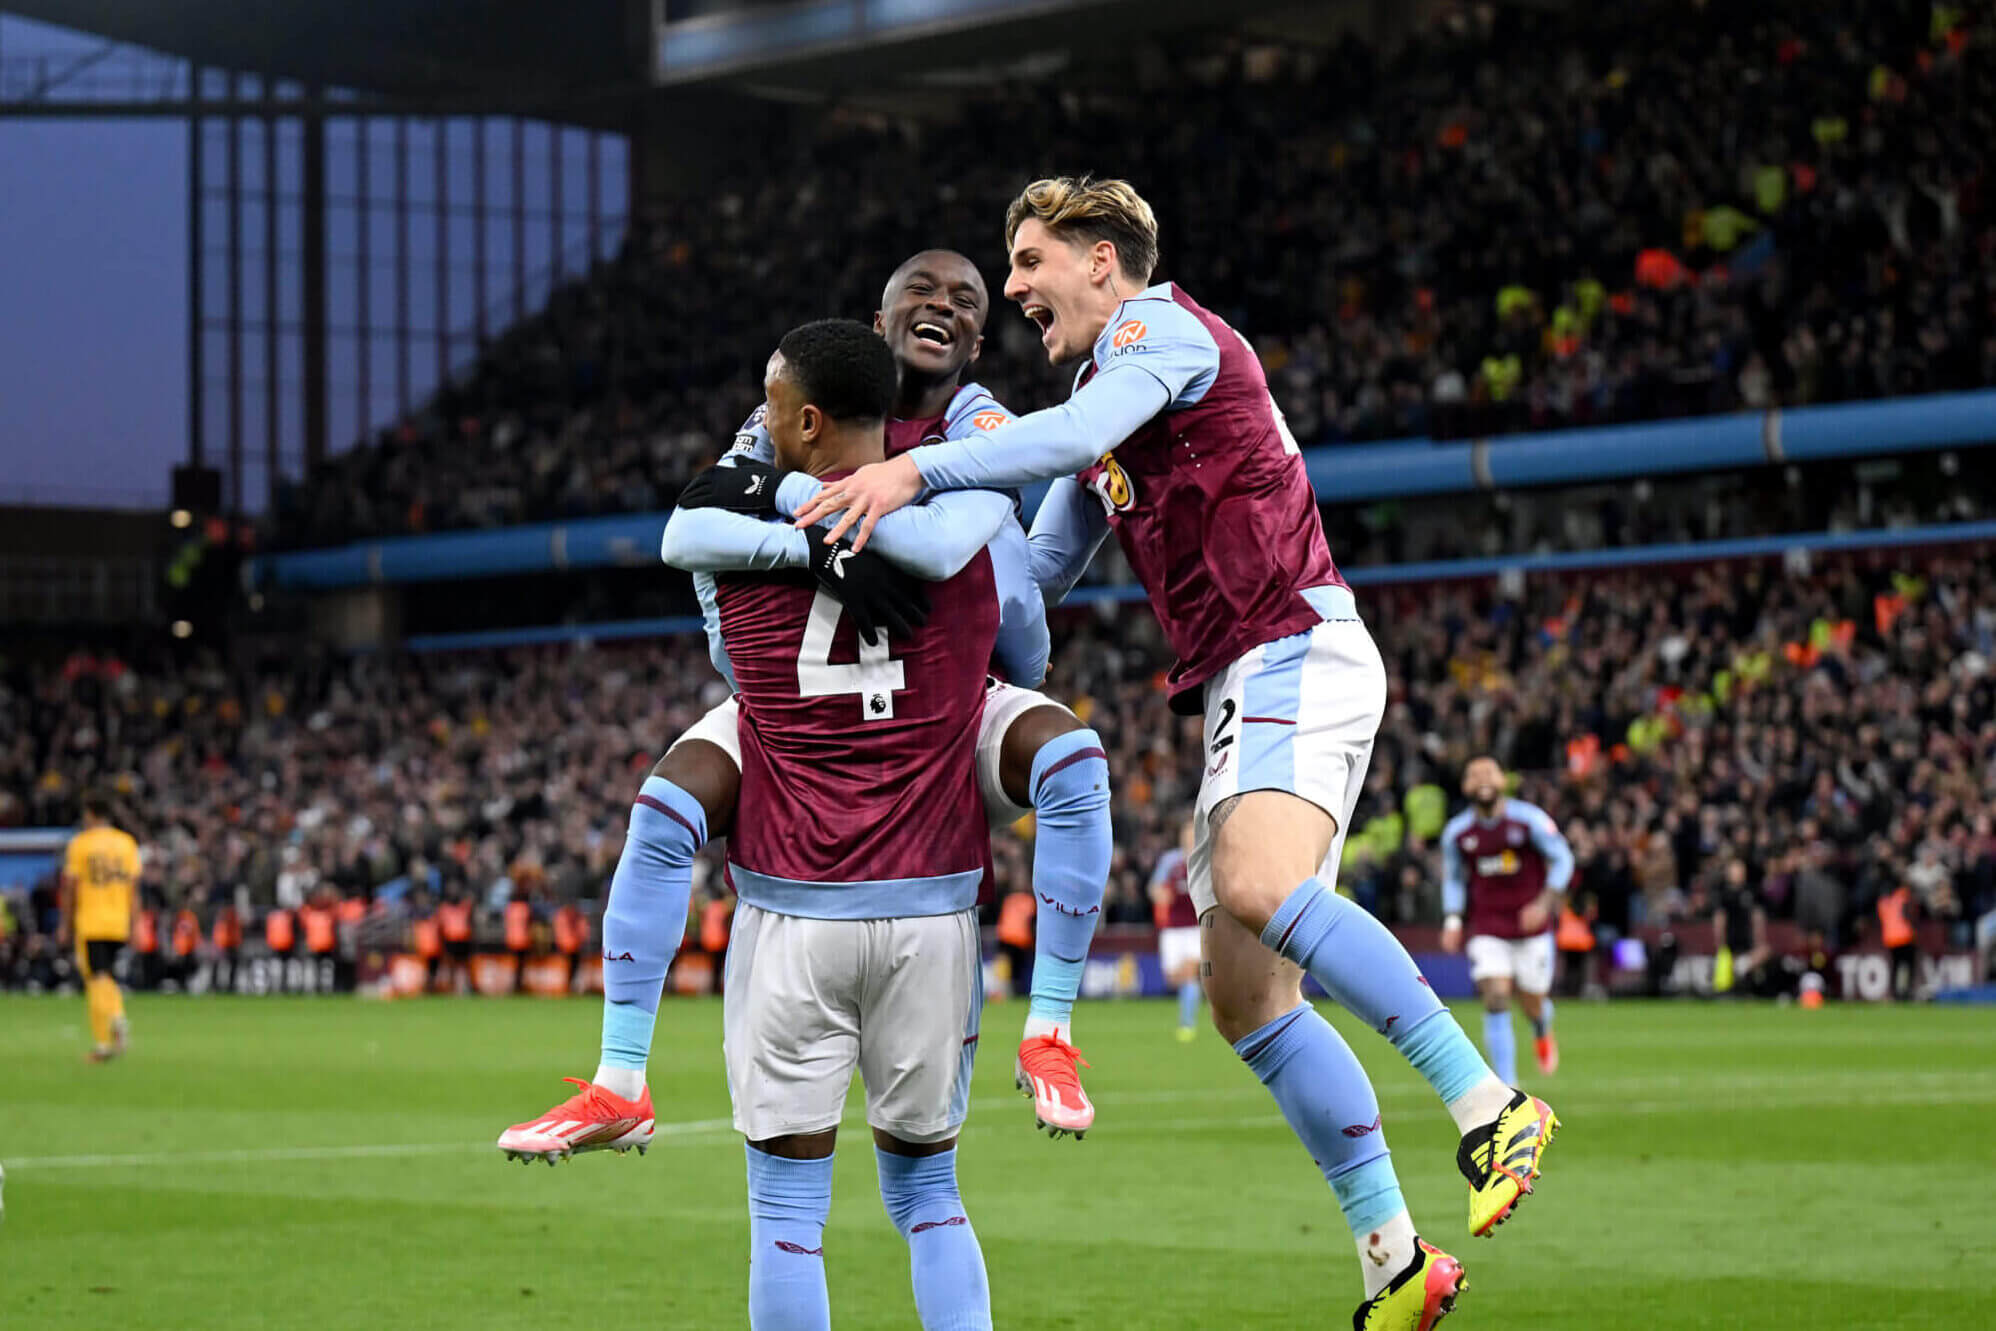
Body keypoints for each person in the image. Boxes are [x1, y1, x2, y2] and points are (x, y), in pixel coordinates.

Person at [797, 176, 1552, 1325]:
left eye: (1030, 260)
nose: (1015, 286)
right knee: (1246, 997)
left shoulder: (1160, 331)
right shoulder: (1103, 398)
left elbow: (1068, 438)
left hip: (1291, 641)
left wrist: (916, 466)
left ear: (1100, 261)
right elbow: (1035, 578)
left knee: (1257, 880)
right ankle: (1394, 1257)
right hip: (1239, 678)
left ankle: (1489, 1102)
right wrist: (905, 591)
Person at [499, 249, 1112, 1159]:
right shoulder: (786, 409)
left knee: (1069, 756)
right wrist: (818, 540)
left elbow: (974, 561)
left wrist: (812, 510)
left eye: (965, 300)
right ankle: (620, 1076)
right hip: (792, 694)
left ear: (979, 344)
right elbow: (693, 517)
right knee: (666, 804)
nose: (942, 305)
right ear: (878, 322)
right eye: (921, 290)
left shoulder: (981, 428)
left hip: (946, 688)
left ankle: (1051, 1027)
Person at [680, 321, 1013, 1328]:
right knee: (931, 1192)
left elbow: (684, 534)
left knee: (786, 1211)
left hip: (794, 899)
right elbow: (1012, 618)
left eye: (772, 406)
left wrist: (796, 522)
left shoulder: (737, 559)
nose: (759, 422)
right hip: (931, 903)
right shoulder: (958, 541)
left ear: (808, 421)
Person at [1440, 757, 1575, 1082]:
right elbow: (1453, 878)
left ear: (1503, 780)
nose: (1482, 780)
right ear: (1465, 786)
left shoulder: (1529, 820)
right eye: (1474, 775)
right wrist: (1453, 919)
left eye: (1489, 773)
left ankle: (1541, 1027)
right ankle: (1508, 1087)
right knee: (1496, 996)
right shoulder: (1457, 832)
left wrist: (1543, 904)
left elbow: (1563, 858)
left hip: (1532, 928)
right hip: (1488, 928)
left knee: (1532, 1003)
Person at [61, 789, 139, 1062]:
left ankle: (108, 1033)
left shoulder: (81, 844)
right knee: (105, 976)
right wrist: (136, 923)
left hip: (92, 921)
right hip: (119, 921)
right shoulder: (127, 843)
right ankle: (111, 1029)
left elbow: (71, 887)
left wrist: (65, 923)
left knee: (96, 979)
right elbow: (134, 890)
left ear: (91, 814)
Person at [1150, 818, 1203, 1040]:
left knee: (1189, 972)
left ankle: (1187, 1024)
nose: (1189, 838)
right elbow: (1155, 888)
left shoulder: (1204, 858)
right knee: (1173, 977)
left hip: (1195, 927)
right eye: (1186, 834)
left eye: (1193, 833)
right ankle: (1193, 995)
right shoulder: (1170, 860)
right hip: (1172, 928)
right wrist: (1159, 895)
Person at [1709, 858, 1772, 998]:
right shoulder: (1723, 894)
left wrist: (1759, 939)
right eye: (1736, 870)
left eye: (1741, 870)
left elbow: (1757, 918)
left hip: (1747, 942)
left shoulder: (1751, 892)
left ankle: (1741, 969)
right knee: (1726, 968)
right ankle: (1736, 974)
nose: (1739, 873)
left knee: (1764, 952)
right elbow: (1719, 919)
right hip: (1731, 941)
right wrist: (1720, 942)